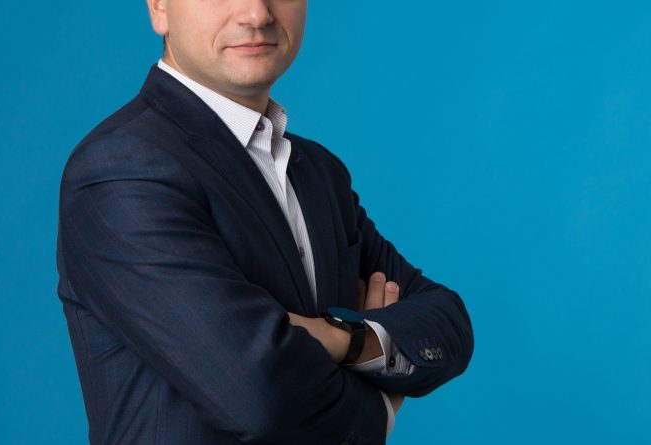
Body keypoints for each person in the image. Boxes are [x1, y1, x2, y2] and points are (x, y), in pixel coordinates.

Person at [56, 0, 474, 443]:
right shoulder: (122, 169)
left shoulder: (318, 173)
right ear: (159, 7)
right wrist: (377, 406)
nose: (257, 14)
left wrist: (346, 339)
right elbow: (260, 396)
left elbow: (448, 324)